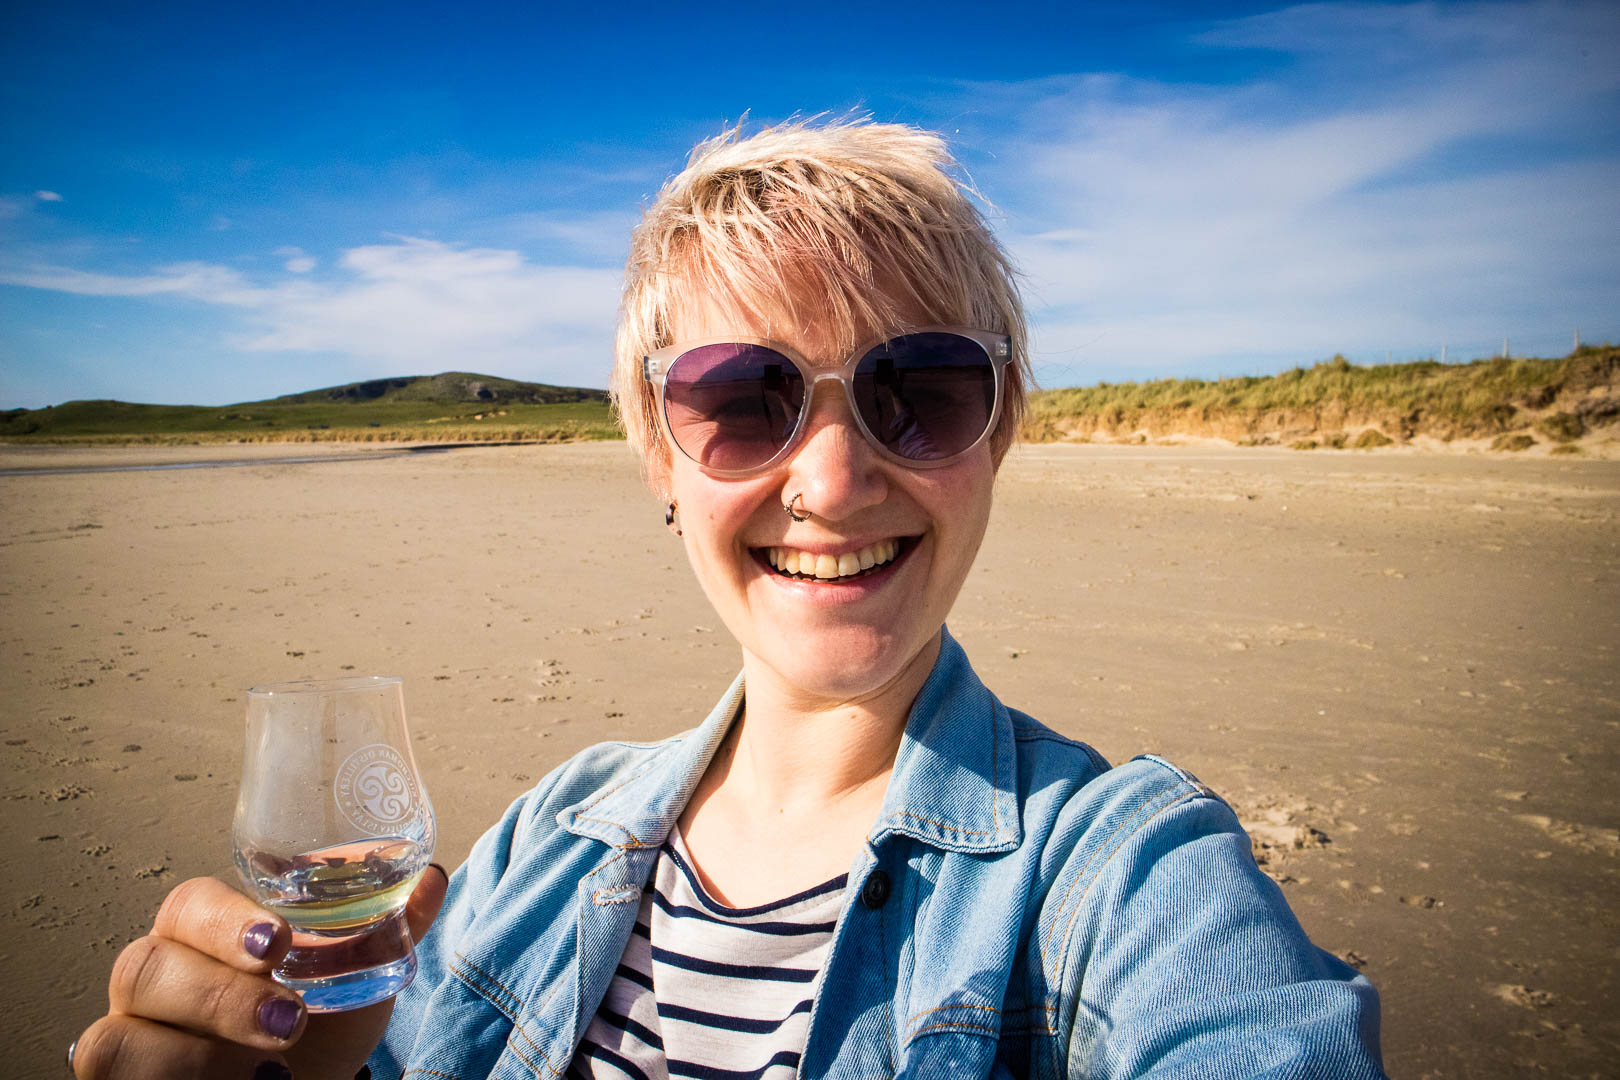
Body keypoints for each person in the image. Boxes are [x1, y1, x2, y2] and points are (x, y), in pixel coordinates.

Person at [72, 119, 1387, 1079]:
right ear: (657, 449)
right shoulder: (545, 841)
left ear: (1000, 429)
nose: (830, 478)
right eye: (742, 400)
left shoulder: (1123, 877)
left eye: (919, 393)